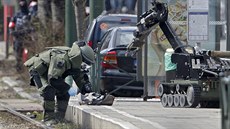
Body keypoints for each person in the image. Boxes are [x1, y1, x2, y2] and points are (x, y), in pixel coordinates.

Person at [24, 41, 95, 125]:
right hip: (39, 71)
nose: (84, 65)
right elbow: (53, 80)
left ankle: (59, 119)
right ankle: (48, 119)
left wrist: (90, 93)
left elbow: (80, 78)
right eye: (85, 62)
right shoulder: (61, 59)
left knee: (64, 94)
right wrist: (69, 88)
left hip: (52, 73)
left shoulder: (74, 62)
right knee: (48, 90)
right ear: (80, 57)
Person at [9, 0, 32, 71]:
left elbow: (34, 25)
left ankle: (27, 68)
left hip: (27, 37)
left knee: (27, 52)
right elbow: (11, 25)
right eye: (20, 1)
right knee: (18, 52)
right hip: (18, 37)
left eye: (23, 1)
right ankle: (19, 68)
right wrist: (12, 32)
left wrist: (30, 31)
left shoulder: (29, 14)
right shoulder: (17, 14)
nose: (21, 3)